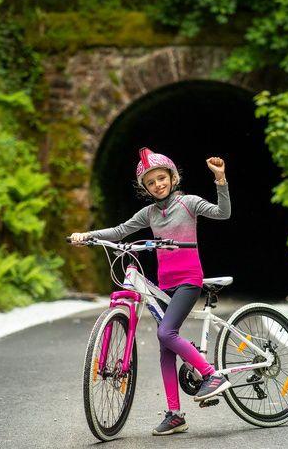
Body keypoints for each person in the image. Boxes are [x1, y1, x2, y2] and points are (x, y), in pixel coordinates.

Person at [70, 147, 231, 436]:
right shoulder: (149, 213)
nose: (158, 185)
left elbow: (223, 213)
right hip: (164, 284)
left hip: (188, 280)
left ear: (172, 177)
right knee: (165, 349)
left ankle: (210, 374)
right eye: (151, 182)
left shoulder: (189, 203)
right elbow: (120, 231)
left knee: (165, 333)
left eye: (162, 178)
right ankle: (174, 414)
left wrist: (220, 180)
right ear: (146, 188)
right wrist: (89, 236)